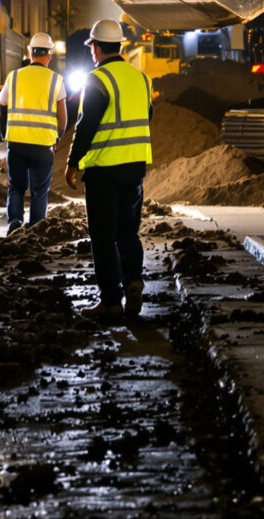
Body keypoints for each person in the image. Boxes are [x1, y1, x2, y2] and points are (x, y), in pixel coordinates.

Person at [65, 18, 153, 319]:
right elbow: (147, 116)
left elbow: (85, 126)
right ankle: (133, 281)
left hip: (104, 170)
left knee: (103, 237)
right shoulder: (141, 79)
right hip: (135, 167)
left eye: (92, 47)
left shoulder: (97, 80)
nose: (91, 52)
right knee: (128, 232)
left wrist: (72, 162)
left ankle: (111, 302)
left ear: (97, 48)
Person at [0, 32, 68, 232]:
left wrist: (5, 131)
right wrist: (58, 136)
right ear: (50, 54)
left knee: (16, 187)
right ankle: (37, 228)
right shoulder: (56, 80)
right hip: (43, 146)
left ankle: (15, 224)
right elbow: (63, 117)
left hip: (17, 144)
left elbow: (1, 104)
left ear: (29, 52)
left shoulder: (15, 76)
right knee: (40, 191)